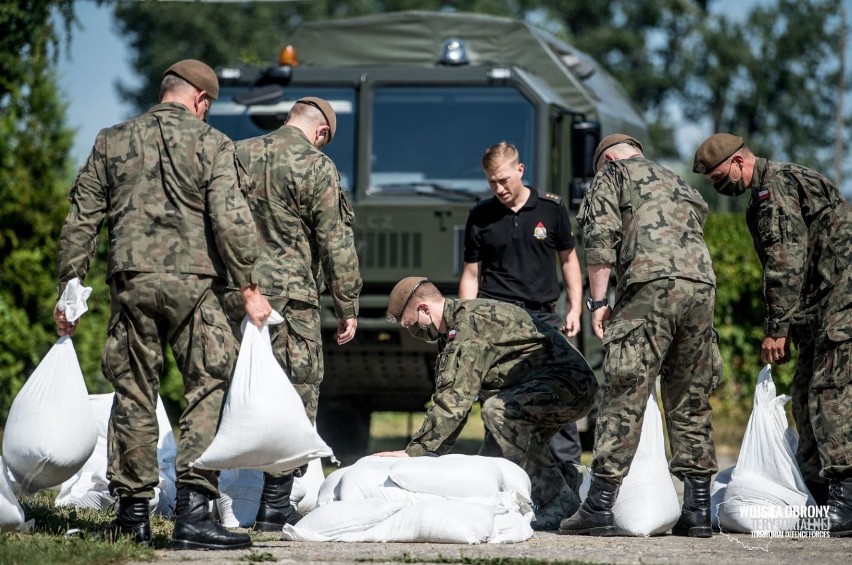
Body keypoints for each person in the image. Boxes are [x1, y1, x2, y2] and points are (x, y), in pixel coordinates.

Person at [54, 59, 272, 550]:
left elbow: (81, 218)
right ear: (200, 100)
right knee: (206, 386)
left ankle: (131, 515)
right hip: (197, 286)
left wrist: (71, 288)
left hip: (131, 281)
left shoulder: (111, 139)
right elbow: (232, 222)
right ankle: (193, 514)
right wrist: (250, 287)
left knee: (132, 391)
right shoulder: (213, 143)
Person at [559, 134, 721, 538]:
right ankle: (699, 511)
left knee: (625, 391)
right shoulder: (678, 181)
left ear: (608, 158)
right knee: (690, 397)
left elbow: (599, 240)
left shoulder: (612, 174)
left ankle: (598, 506)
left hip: (650, 287)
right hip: (701, 288)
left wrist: (599, 303)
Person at [693, 133, 851, 535]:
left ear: (739, 162)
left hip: (840, 301)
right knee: (803, 392)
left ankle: (847, 496)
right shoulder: (780, 182)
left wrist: (776, 328)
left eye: (717, 177)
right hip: (821, 305)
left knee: (829, 394)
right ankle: (816, 490)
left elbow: (785, 263)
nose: (718, 187)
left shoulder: (773, 191)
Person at [227, 96, 362, 532]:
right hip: (292, 300)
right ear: (322, 133)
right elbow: (335, 242)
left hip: (237, 295)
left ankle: (207, 497)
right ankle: (274, 503)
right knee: (297, 392)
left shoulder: (237, 153)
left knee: (229, 387)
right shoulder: (317, 166)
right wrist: (348, 306)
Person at [380, 276, 598, 531]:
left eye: (412, 324)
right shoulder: (453, 329)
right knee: (490, 466)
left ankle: (559, 501)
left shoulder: (468, 327)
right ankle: (574, 482)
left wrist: (415, 451)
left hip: (570, 385)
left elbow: (454, 400)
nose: (412, 331)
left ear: (424, 309)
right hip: (543, 387)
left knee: (497, 412)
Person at [458, 142, 586, 490]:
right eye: (491, 183)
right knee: (497, 403)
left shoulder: (551, 209)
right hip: (496, 322)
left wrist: (574, 308)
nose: (499, 189)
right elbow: (471, 275)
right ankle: (504, 486)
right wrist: (464, 324)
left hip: (543, 321)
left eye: (503, 180)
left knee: (557, 397)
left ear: (520, 170)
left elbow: (569, 261)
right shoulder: (480, 216)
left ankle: (567, 482)